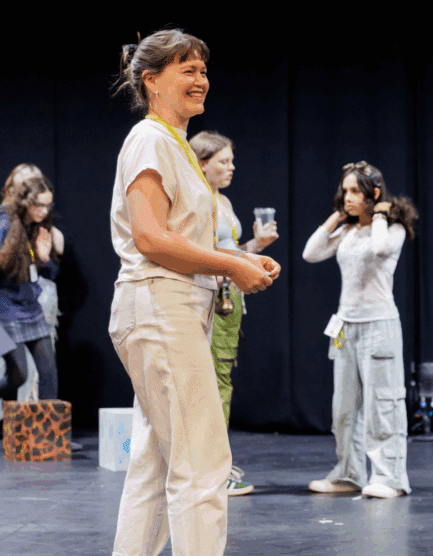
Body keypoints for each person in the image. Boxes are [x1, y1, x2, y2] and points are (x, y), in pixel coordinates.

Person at [109, 28, 280, 556]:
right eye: (187, 68)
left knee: (154, 464)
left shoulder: (174, 145)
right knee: (204, 464)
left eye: (204, 69)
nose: (201, 78)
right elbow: (150, 237)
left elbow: (175, 234)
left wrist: (238, 257)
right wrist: (231, 265)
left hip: (169, 306)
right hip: (160, 305)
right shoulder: (150, 139)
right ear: (151, 80)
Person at [302, 161, 417, 500]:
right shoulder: (347, 232)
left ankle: (390, 477)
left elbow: (380, 249)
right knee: (344, 408)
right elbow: (310, 253)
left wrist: (380, 215)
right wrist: (338, 217)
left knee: (383, 405)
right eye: (345, 191)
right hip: (346, 327)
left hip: (379, 326)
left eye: (355, 191)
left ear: (374, 194)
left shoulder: (392, 228)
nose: (347, 197)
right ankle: (349, 473)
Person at [191, 130, 280, 497]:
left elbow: (228, 250)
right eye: (223, 161)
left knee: (222, 375)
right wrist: (244, 259)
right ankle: (213, 468)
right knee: (213, 380)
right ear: (202, 163)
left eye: (232, 160)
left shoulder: (221, 200)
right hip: (211, 295)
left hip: (230, 296)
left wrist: (255, 247)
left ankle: (216, 463)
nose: (231, 167)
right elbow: (205, 251)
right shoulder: (197, 201)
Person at [1, 165, 64, 403]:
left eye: (48, 205)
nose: (43, 210)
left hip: (30, 306)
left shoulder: (36, 227)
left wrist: (42, 258)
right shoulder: (5, 222)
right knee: (18, 375)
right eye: (38, 205)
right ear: (26, 201)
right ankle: (10, 430)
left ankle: (51, 435)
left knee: (48, 372)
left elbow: (28, 271)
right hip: (4, 312)